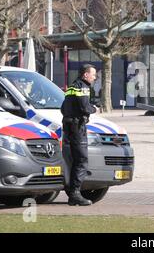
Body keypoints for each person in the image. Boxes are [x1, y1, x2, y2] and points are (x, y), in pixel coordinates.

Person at [61, 64, 98, 206]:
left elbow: (63, 107)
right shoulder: (83, 87)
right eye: (93, 74)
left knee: (73, 160)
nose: (94, 77)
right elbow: (84, 107)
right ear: (85, 75)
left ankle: (72, 192)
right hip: (77, 127)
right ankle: (75, 194)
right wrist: (94, 109)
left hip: (68, 126)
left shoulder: (72, 86)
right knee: (81, 160)